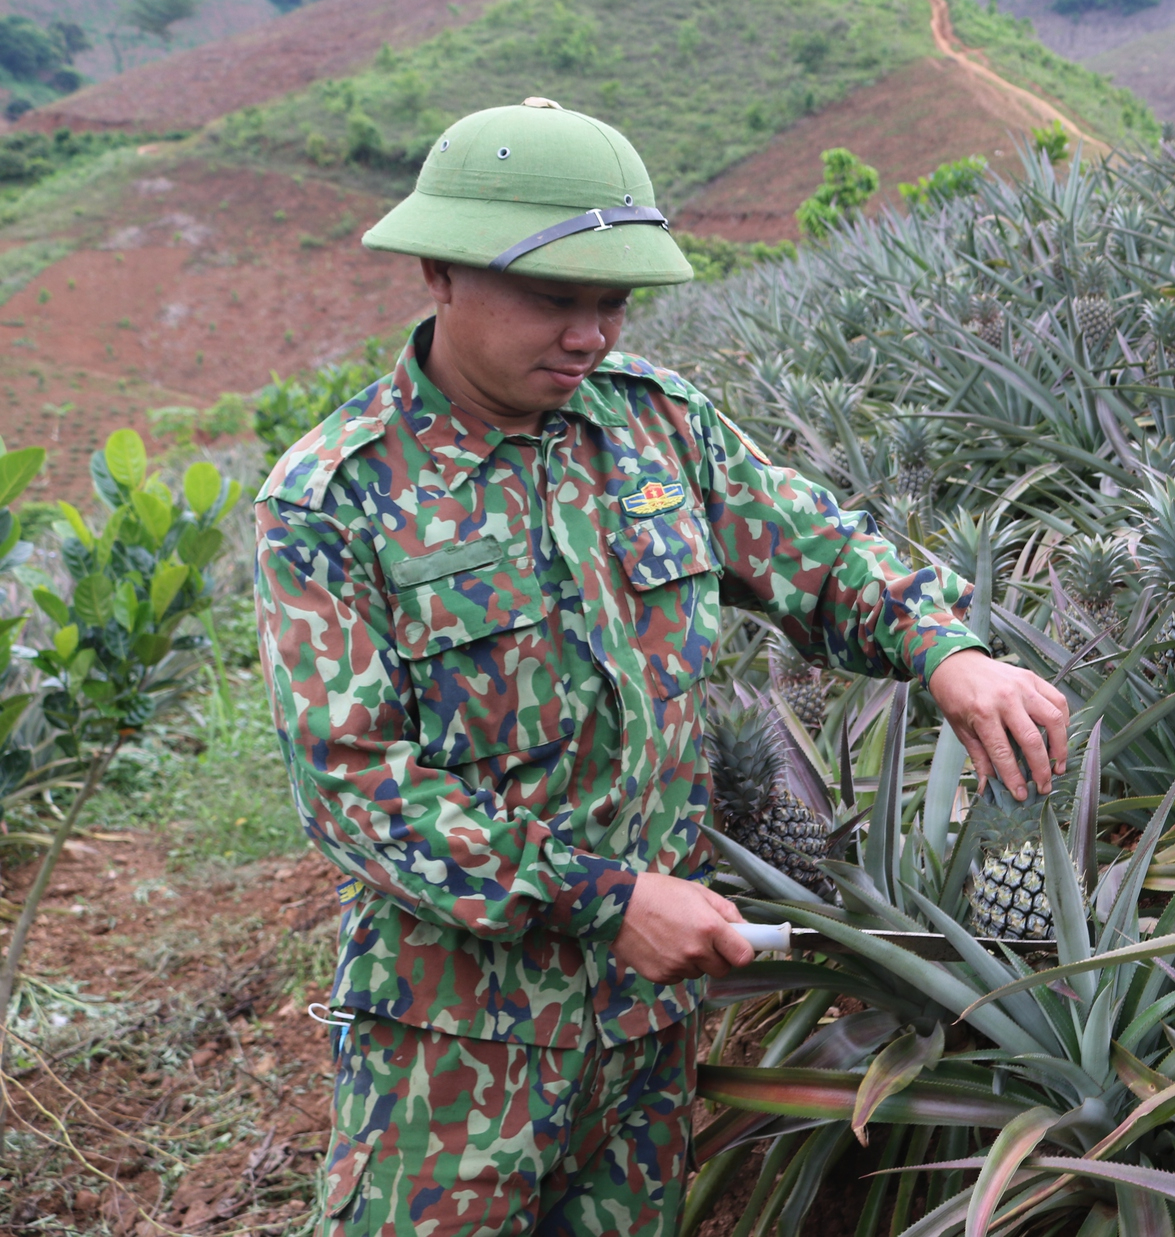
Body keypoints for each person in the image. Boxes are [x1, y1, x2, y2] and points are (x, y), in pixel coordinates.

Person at [252, 98, 1069, 1237]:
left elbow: (815, 553)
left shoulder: (653, 428)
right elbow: (355, 788)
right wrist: (604, 897)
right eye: (554, 299)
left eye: (611, 302)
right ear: (440, 270)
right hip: (454, 1045)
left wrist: (944, 650)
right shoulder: (336, 497)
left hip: (647, 1026)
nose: (589, 335)